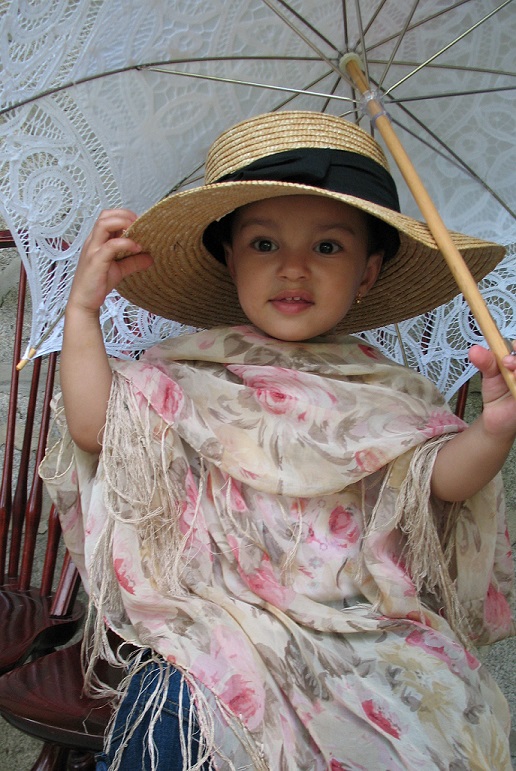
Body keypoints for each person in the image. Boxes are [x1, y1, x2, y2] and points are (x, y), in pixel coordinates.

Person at [41, 111, 516, 770]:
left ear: (369, 272)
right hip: (216, 627)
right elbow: (99, 427)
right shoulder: (188, 370)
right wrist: (82, 312)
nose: (294, 268)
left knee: (428, 734)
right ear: (227, 257)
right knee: (169, 734)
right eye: (264, 244)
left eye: (327, 247)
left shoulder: (390, 391)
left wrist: (493, 431)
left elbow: (439, 479)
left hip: (358, 632)